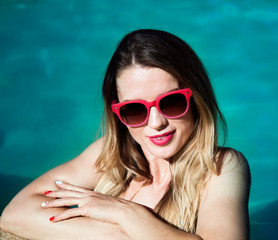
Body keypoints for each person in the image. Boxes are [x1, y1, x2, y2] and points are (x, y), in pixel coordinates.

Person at [0, 29, 251, 240]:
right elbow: (16, 213)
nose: (156, 123)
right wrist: (122, 232)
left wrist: (125, 213)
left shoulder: (221, 168)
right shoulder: (111, 154)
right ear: (118, 112)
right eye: (134, 110)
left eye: (171, 102)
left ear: (197, 98)